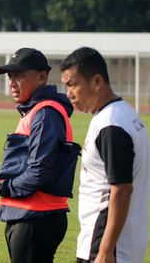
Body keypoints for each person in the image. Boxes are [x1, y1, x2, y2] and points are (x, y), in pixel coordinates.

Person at [0, 48, 80, 263]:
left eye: (20, 75)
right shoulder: (37, 111)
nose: (12, 82)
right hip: (30, 215)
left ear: (42, 76)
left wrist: (1, 187)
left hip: (35, 218)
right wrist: (1, 181)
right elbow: (30, 165)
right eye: (10, 76)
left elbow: (39, 172)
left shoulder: (45, 113)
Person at [61, 47, 150, 263]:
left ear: (97, 82)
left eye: (73, 85)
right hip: (124, 244)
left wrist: (105, 251)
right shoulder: (125, 113)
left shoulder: (110, 125)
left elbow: (121, 190)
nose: (69, 94)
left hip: (105, 247)